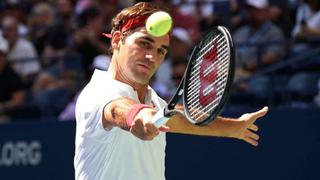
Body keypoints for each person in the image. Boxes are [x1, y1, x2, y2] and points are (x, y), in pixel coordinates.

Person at [74, 2, 269, 180]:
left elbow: (181, 117)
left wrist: (234, 127)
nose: (152, 56)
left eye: (161, 50)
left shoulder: (155, 102)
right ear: (117, 40)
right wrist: (140, 118)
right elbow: (121, 111)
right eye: (144, 43)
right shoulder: (99, 93)